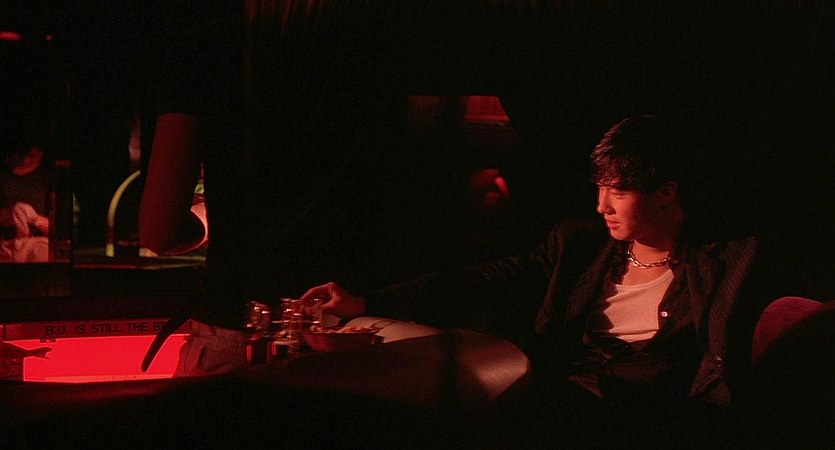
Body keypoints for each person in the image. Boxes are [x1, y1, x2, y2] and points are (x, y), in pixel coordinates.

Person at [299, 115, 809, 447]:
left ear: (666, 193)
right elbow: (484, 279)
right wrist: (368, 300)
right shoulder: (579, 244)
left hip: (654, 421)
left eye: (618, 192)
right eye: (599, 189)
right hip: (562, 399)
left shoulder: (732, 258)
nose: (601, 206)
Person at [138, 2, 408, 376]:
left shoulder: (208, 46)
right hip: (357, 342)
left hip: (239, 337)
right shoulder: (384, 41)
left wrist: (208, 216)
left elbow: (160, 232)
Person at [0, 142, 53, 263]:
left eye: (31, 156)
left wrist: (35, 218)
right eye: (20, 154)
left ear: (41, 153)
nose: (25, 160)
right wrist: (4, 217)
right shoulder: (3, 174)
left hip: (38, 242)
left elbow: (60, 234)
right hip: (5, 243)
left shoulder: (49, 176)